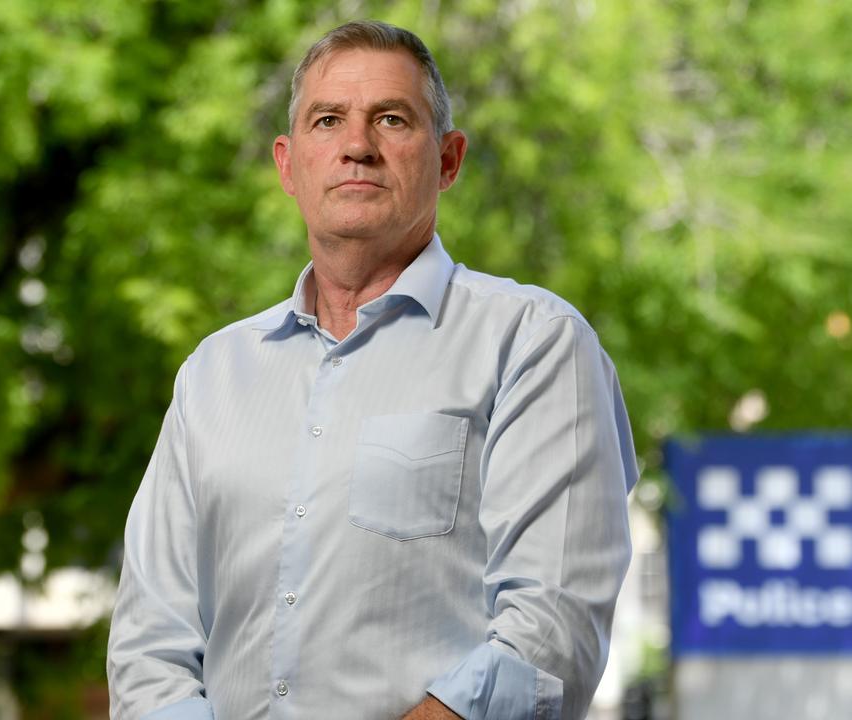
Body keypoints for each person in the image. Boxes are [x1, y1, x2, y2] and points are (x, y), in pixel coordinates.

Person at [107, 20, 638, 720]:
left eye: (391, 119)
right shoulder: (213, 374)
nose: (357, 146)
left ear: (448, 160)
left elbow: (550, 632)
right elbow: (150, 646)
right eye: (328, 121)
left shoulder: (533, 343)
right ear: (289, 163)